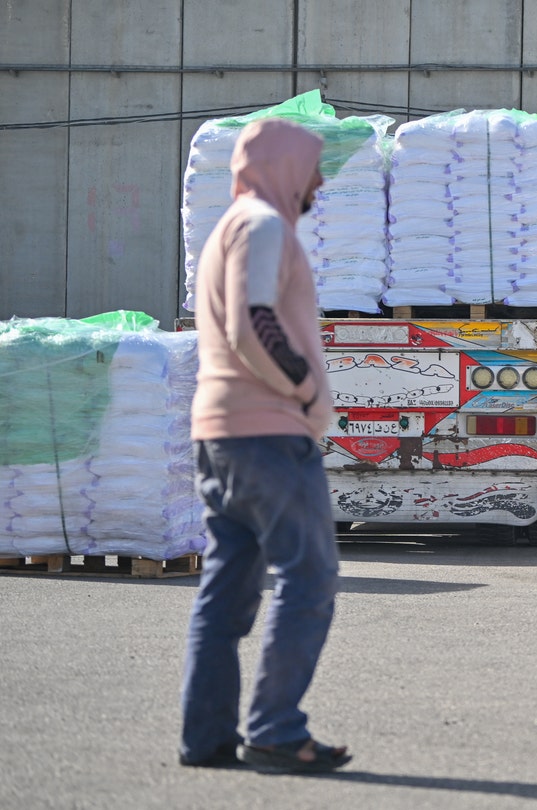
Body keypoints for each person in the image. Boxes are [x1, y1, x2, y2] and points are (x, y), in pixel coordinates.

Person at [179, 117, 351, 773]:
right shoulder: (263, 225)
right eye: (313, 167)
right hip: (269, 432)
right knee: (308, 579)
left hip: (219, 433)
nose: (320, 181)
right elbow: (255, 319)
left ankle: (207, 736)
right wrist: (305, 387)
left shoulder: (229, 227)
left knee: (225, 597)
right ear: (284, 167)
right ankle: (276, 729)